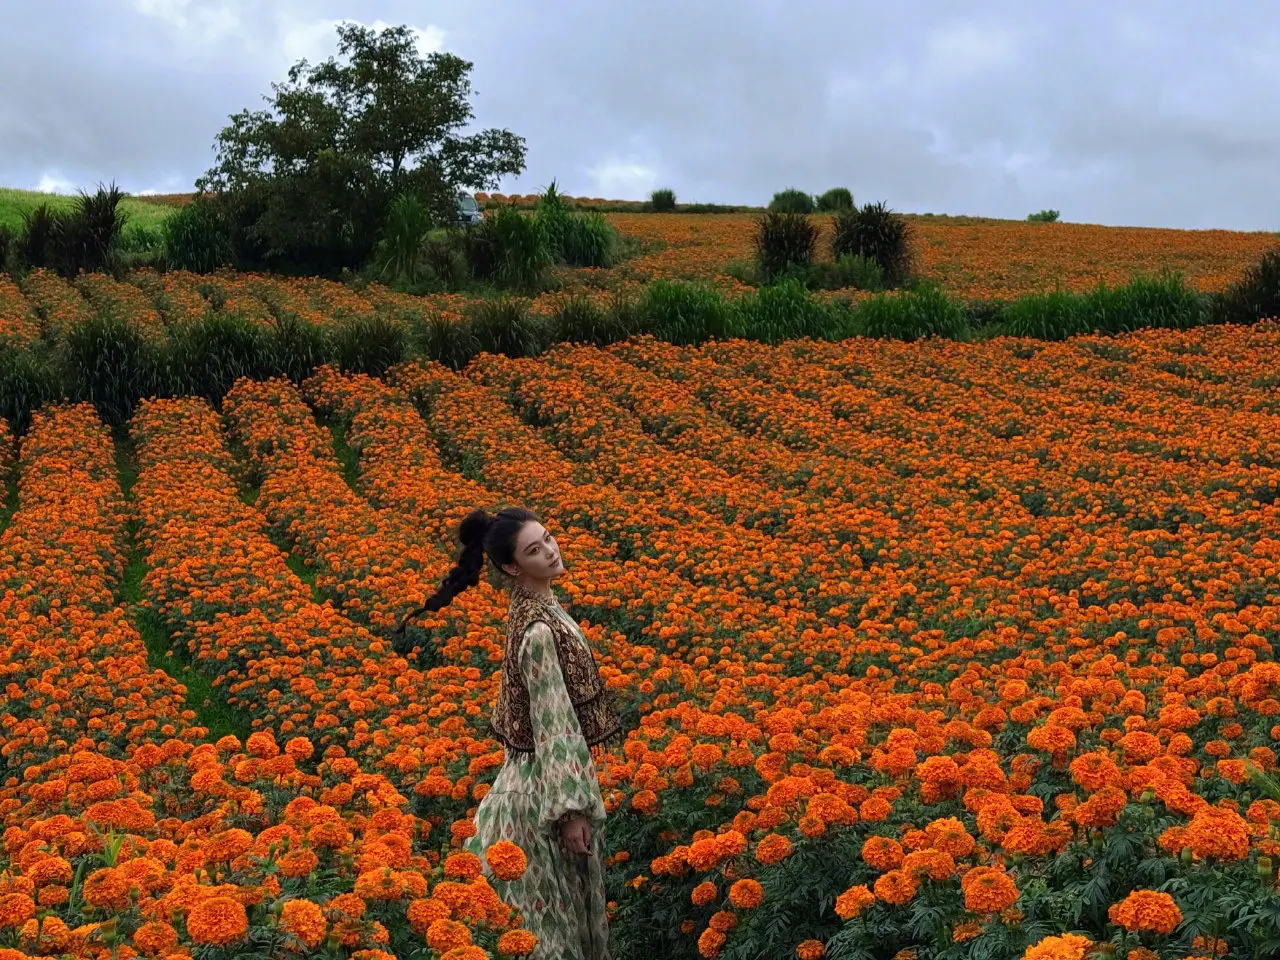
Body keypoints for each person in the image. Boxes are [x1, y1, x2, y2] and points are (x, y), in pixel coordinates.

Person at [402, 506, 620, 960]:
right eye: (534, 550)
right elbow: (554, 723)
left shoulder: (535, 609)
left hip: (530, 785)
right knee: (550, 933)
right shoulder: (539, 629)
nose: (550, 551)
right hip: (541, 801)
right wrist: (571, 811)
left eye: (548, 539)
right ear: (511, 566)